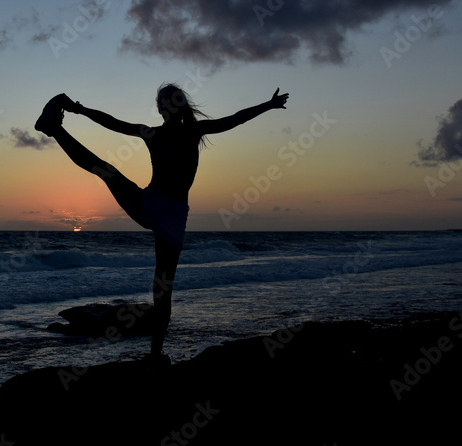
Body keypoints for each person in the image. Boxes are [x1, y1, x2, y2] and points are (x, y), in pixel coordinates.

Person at [35, 84, 289, 362]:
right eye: (166, 102)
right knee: (106, 172)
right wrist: (78, 109)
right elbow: (113, 123)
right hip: (155, 206)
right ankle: (54, 129)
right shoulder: (163, 133)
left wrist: (268, 105)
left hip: (168, 214)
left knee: (162, 289)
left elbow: (235, 119)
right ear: (164, 107)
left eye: (170, 101)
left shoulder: (187, 131)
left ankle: (156, 354)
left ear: (172, 106)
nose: (167, 106)